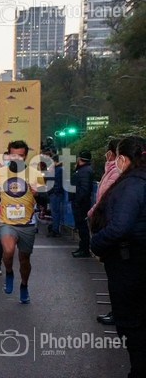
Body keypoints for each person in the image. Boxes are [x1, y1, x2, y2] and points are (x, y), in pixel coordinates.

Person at [90, 136, 146, 378]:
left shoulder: (131, 185)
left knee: (132, 325)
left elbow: (120, 226)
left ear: (122, 158)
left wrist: (96, 244)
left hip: (130, 262)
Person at [0, 140, 45, 304]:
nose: (17, 159)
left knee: (24, 259)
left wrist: (37, 194)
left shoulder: (35, 174)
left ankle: (24, 285)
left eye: (20, 156)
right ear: (8, 155)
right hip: (7, 222)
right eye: (13, 155)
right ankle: (9, 272)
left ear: (26, 156)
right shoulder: (0, 173)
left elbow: (45, 200)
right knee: (8, 252)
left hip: (27, 224)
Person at [87, 139, 121, 326]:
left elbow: (107, 199)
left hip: (110, 226)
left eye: (108, 151)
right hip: (105, 222)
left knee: (117, 274)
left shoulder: (117, 172)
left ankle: (119, 313)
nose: (105, 155)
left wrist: (93, 212)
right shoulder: (111, 170)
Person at [70, 150, 94, 258]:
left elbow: (84, 189)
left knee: (82, 227)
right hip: (80, 202)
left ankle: (84, 249)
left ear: (79, 158)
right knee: (81, 227)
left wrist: (77, 201)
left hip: (81, 204)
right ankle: (82, 248)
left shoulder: (84, 171)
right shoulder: (83, 170)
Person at [46, 154, 64, 238]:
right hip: (55, 193)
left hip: (55, 193)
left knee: (55, 212)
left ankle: (55, 230)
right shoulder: (57, 169)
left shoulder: (58, 169)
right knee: (55, 212)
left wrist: (53, 191)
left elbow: (56, 181)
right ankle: (54, 228)